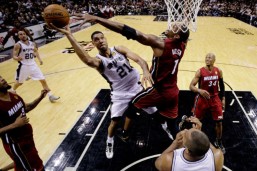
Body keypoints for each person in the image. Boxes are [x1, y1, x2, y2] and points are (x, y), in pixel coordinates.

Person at [49, 24, 157, 159]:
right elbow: (87, 60)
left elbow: (139, 59)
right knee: (114, 122)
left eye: (102, 37)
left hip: (137, 88)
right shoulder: (99, 61)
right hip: (120, 95)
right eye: (96, 39)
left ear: (106, 39)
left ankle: (168, 130)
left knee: (155, 113)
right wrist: (69, 35)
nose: (100, 40)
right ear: (93, 43)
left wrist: (145, 70)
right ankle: (109, 141)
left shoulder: (119, 49)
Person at [74, 13, 189, 139]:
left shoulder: (160, 43)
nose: (173, 24)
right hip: (173, 91)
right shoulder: (183, 45)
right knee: (172, 123)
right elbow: (182, 37)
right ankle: (180, 142)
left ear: (176, 35)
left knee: (134, 104)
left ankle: (125, 133)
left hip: (159, 90)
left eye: (176, 27)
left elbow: (131, 32)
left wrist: (97, 19)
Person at [0, 75, 48, 171]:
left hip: (27, 138)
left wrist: (40, 97)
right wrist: (15, 125)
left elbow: (26, 108)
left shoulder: (13, 95)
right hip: (15, 143)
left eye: (2, 77)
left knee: (30, 162)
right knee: (30, 167)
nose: (3, 79)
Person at [155, 116, 224, 171]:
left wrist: (175, 143)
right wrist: (198, 134)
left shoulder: (169, 161)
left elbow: (158, 163)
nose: (185, 130)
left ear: (187, 150)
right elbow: (208, 146)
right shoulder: (218, 156)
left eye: (186, 134)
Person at [189, 52, 226, 153]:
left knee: (219, 122)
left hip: (215, 99)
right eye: (206, 57)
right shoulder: (200, 71)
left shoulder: (219, 71)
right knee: (196, 121)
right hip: (202, 99)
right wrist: (199, 90)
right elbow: (191, 86)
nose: (207, 59)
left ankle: (218, 141)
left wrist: (223, 98)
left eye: (209, 57)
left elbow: (222, 86)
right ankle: (194, 141)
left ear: (214, 60)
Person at [10, 30, 60, 103]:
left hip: (33, 65)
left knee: (43, 80)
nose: (23, 35)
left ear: (26, 34)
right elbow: (14, 56)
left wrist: (39, 59)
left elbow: (35, 51)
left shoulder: (32, 43)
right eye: (20, 34)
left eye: (24, 34)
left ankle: (50, 96)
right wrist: (17, 58)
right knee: (19, 83)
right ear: (18, 36)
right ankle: (12, 91)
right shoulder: (18, 45)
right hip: (24, 66)